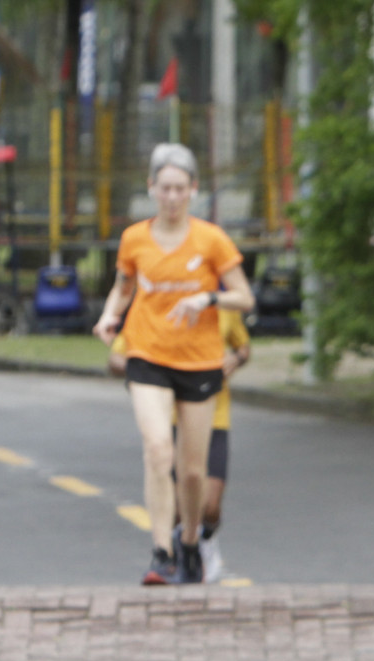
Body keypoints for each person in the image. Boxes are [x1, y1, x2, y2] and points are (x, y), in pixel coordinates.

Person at [93, 143, 255, 585]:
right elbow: (123, 289)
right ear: (151, 189)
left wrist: (208, 297)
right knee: (157, 449)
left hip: (200, 361)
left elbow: (245, 296)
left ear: (193, 191)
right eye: (164, 188)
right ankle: (160, 552)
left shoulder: (211, 240)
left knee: (192, 469)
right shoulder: (134, 239)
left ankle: (188, 545)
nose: (171, 197)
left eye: (180, 189)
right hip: (147, 355)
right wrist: (110, 316)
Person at [107, 307, 251, 582]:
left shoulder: (220, 306)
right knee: (173, 507)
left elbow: (243, 348)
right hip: (164, 414)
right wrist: (149, 373)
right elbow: (115, 357)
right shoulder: (151, 304)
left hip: (211, 412)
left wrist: (236, 358)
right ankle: (173, 555)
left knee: (209, 505)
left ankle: (203, 540)